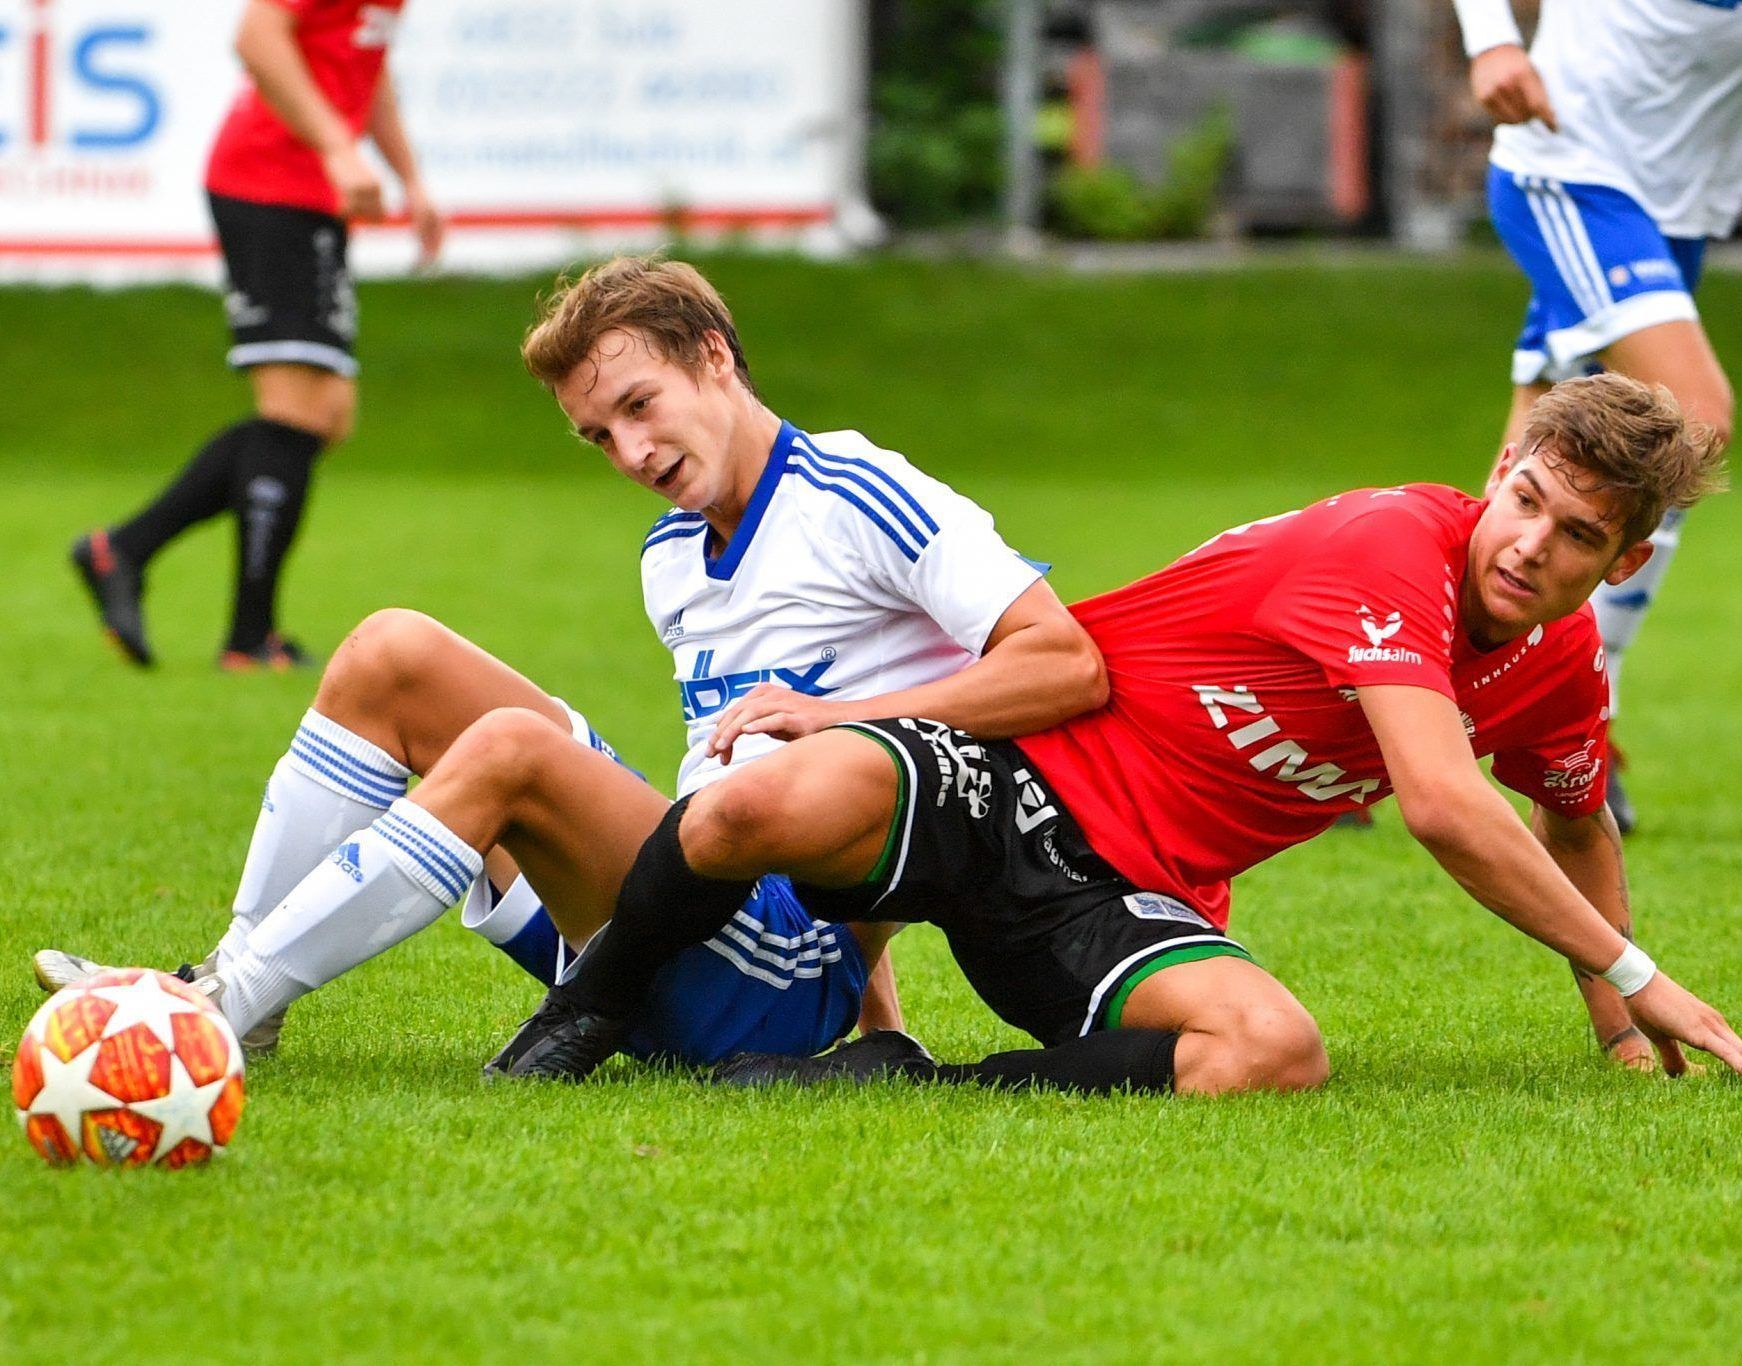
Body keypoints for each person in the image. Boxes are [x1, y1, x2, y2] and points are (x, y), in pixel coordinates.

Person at [488, 373, 1742, 1096]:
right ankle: (584, 1014)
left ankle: (906, 1076)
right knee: (748, 805)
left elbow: (1573, 816)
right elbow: (1442, 803)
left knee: (1274, 1052)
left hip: (1114, 894)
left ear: (1625, 562)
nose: (1531, 544)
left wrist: (1619, 1027)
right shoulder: (1394, 542)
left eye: (1575, 535)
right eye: (1527, 499)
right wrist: (1638, 969)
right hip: (1004, 779)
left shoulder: (1559, 666)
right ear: (1501, 471)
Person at [38, 256, 1106, 1069]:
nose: (631, 453)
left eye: (639, 406)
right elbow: (737, 780)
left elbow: (1064, 663)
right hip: (674, 919)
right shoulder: (670, 554)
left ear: (714, 357)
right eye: (599, 436)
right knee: (390, 651)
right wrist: (885, 1028)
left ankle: (208, 1012)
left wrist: (841, 721)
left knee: (512, 745)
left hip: (774, 969)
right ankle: (236, 986)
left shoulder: (859, 493)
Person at [1450, 0, 1742, 830]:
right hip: (1571, 158)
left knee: (1533, 459)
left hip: (1677, 202)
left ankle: (1368, 694)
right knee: (1686, 425)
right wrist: (1492, 40)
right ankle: (1584, 715)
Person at [70, 0, 443, 671]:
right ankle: (246, 637)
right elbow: (256, 34)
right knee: (297, 413)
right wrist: (338, 147)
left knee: (326, 414)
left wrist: (409, 177)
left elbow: (365, 66)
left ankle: (126, 551)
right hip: (269, 184)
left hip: (309, 196)